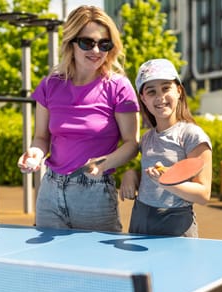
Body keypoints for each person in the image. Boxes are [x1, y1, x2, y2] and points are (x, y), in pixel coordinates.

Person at [17, 5, 140, 232]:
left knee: (97, 265)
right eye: (87, 42)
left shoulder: (119, 87)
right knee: (49, 265)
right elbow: (41, 137)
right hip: (51, 191)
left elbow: (132, 144)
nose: (96, 50)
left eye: (104, 44)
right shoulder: (50, 85)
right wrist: (35, 153)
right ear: (71, 43)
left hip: (95, 195)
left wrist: (102, 164)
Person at [119, 58, 212, 292]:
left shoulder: (192, 135)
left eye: (165, 88)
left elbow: (203, 193)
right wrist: (131, 174)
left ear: (179, 90)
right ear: (143, 100)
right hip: (142, 220)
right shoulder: (146, 139)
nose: (160, 98)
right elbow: (148, 174)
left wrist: (168, 182)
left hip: (176, 225)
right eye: (151, 92)